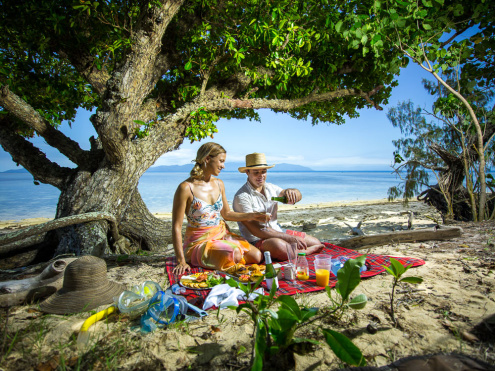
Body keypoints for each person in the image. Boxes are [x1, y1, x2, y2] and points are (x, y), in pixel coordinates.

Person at [172, 143, 268, 275]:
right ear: (207, 159)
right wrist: (180, 260)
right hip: (199, 242)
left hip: (221, 235)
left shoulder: (219, 184)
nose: (223, 166)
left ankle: (227, 261)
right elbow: (176, 227)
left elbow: (227, 214)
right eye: (221, 161)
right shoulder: (186, 188)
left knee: (257, 256)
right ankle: (225, 260)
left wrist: (252, 215)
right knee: (234, 253)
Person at [233, 152, 324, 261]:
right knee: (279, 246)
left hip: (279, 231)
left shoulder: (270, 188)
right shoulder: (242, 197)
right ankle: (304, 252)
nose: (261, 176)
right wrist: (290, 238)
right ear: (247, 172)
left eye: (263, 172)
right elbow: (257, 230)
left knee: (315, 242)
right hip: (257, 239)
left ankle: (295, 251)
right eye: (256, 172)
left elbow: (292, 195)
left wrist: (294, 192)